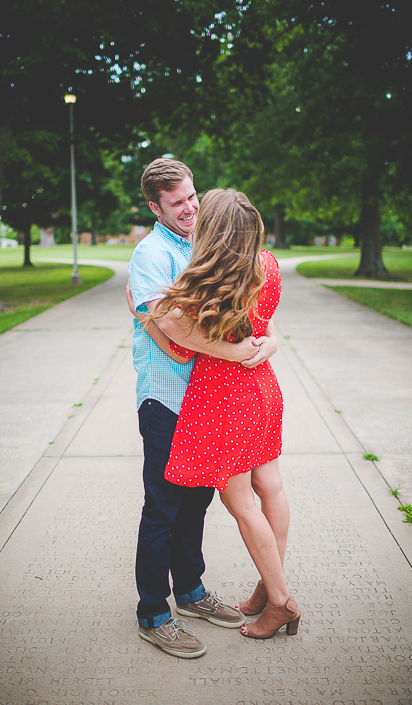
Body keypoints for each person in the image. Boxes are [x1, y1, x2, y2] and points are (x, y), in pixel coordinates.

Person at [126, 158, 277, 659]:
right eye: (177, 202)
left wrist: (253, 345)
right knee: (164, 507)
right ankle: (153, 612)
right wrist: (236, 351)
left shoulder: (206, 241)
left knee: (197, 503)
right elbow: (174, 337)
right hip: (168, 398)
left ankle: (190, 592)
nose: (190, 207)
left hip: (209, 402)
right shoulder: (151, 255)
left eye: (193, 196)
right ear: (155, 207)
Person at [146, 188, 299, 639]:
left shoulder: (204, 285)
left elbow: (177, 344)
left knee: (239, 500)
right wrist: (267, 344)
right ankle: (266, 589)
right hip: (263, 387)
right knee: (270, 486)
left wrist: (147, 318)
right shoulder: (266, 264)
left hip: (225, 397)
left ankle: (280, 602)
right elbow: (266, 325)